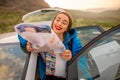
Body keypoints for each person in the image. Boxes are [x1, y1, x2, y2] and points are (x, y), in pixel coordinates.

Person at [18, 11, 82, 80]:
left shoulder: (73, 41)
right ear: (53, 22)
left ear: (67, 28)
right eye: (57, 20)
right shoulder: (44, 33)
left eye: (64, 23)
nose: (59, 24)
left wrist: (70, 59)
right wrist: (27, 43)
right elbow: (21, 33)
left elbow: (82, 65)